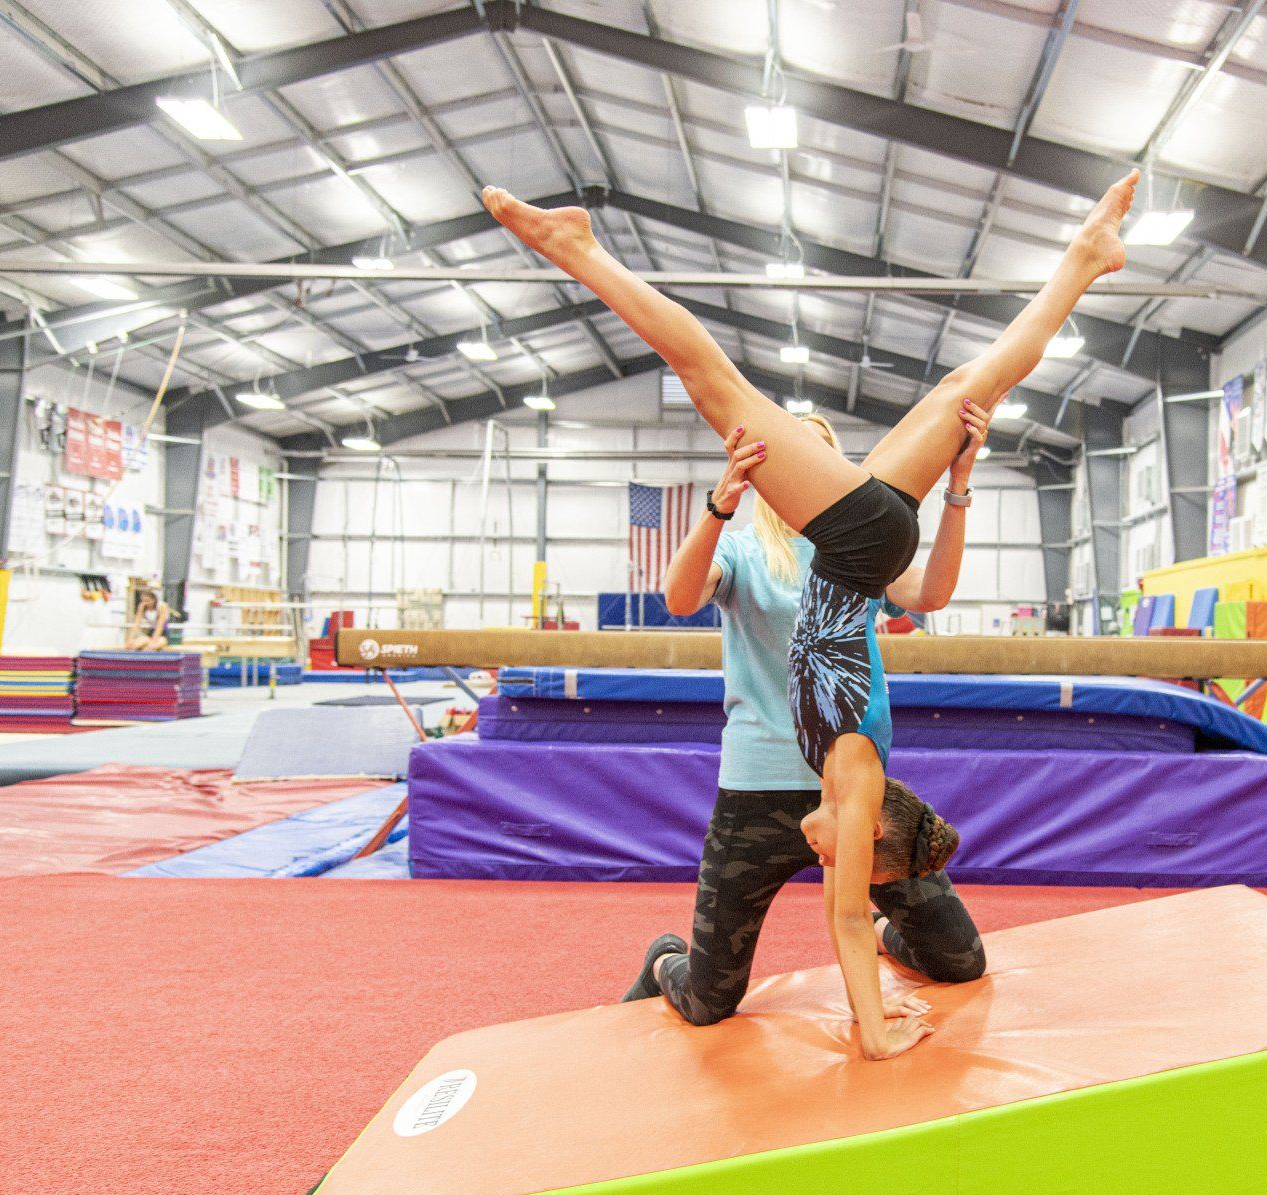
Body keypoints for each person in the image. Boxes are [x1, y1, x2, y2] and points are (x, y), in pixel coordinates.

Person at [482, 168, 1137, 1059]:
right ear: (874, 828)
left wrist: (960, 487)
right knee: (714, 378)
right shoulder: (856, 767)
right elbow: (842, 913)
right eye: (849, 853)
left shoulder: (843, 781)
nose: (824, 853)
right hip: (865, 541)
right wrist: (874, 1034)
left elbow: (846, 917)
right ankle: (579, 250)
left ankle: (1084, 259)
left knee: (965, 386)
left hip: (878, 537)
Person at [621, 409, 990, 1039]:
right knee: (710, 1000)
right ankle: (665, 960)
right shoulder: (742, 552)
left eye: (821, 460)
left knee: (958, 959)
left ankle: (878, 934)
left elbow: (929, 594)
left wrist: (957, 486)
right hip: (758, 792)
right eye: (793, 460)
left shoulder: (860, 553)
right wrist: (718, 507)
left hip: (852, 790)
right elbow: (679, 599)